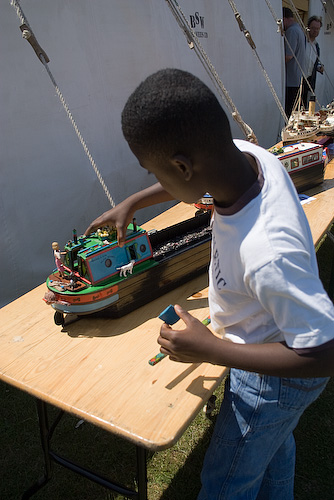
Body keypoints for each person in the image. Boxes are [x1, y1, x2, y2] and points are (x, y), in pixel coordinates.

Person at [85, 68, 334, 499]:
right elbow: (197, 174)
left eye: (155, 175)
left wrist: (211, 349)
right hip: (267, 341)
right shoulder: (245, 155)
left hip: (273, 377)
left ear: (182, 166)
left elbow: (322, 354)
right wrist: (134, 202)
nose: (155, 183)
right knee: (273, 447)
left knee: (226, 481)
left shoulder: (267, 249)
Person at [283, 7, 306, 117]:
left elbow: (288, 56)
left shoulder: (291, 31)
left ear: (284, 18)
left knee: (289, 113)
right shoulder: (299, 29)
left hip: (290, 80)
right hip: (297, 79)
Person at [302, 16, 324, 107]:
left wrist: (320, 67)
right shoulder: (303, 42)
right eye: (313, 28)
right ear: (308, 28)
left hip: (310, 80)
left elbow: (315, 62)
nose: (315, 31)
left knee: (307, 105)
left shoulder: (316, 46)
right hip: (299, 78)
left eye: (318, 29)